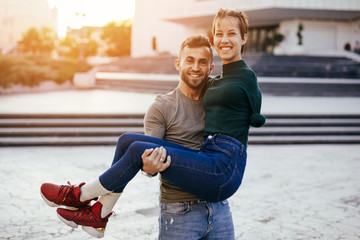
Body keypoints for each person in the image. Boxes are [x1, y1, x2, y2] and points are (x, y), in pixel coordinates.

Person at [40, 8, 265, 238]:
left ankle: (80, 196)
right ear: (178, 63)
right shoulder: (170, 103)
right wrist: (148, 167)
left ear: (211, 68)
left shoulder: (230, 83)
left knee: (136, 147)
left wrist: (253, 115)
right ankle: (99, 215)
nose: (196, 67)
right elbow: (149, 165)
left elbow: (253, 110)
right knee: (127, 140)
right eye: (219, 34)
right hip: (188, 195)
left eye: (231, 34)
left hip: (221, 181)